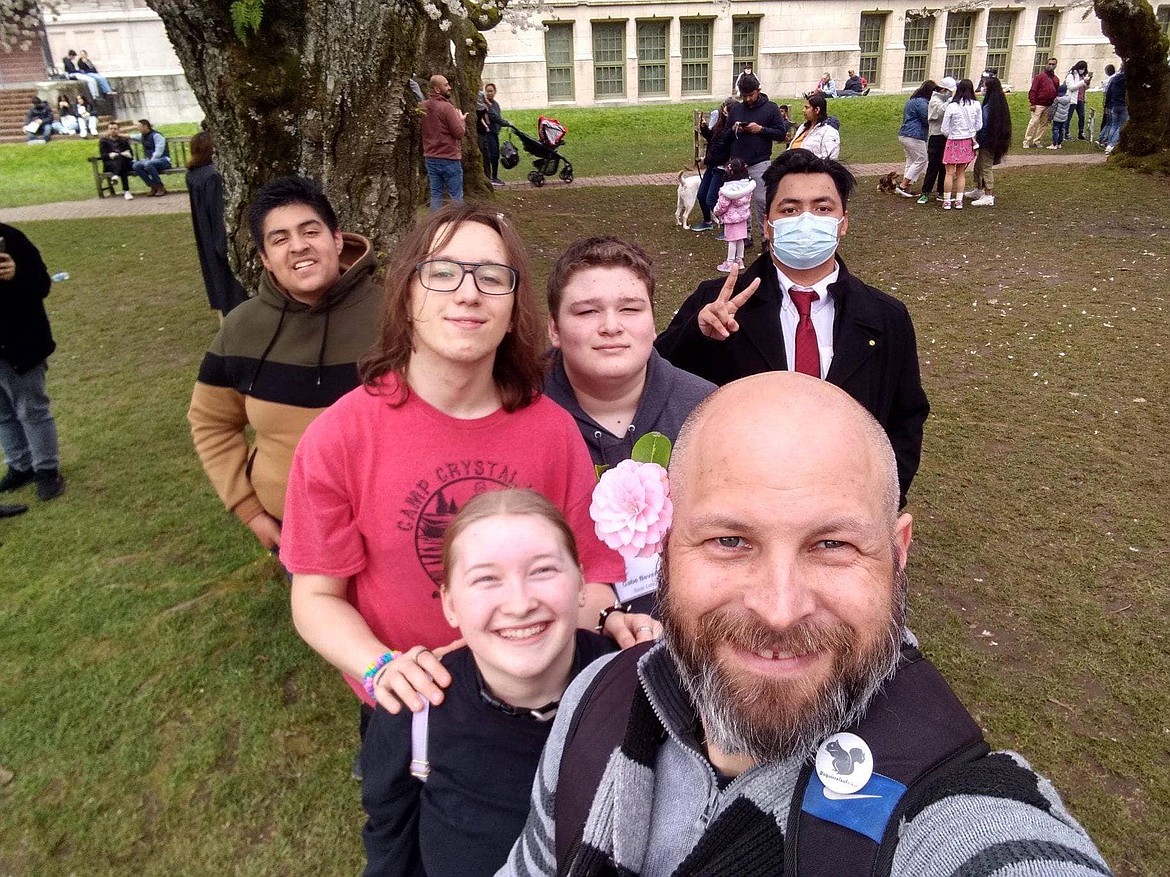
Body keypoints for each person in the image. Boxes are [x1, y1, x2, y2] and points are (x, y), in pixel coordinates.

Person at [498, 372, 1113, 877]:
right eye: (730, 540)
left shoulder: (964, 823)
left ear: (898, 554)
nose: (780, 608)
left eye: (832, 544)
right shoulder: (595, 701)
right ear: (664, 548)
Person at [279, 204, 651, 770]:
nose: (469, 293)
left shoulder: (553, 431)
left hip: (538, 705)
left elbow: (589, 578)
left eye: (491, 277)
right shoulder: (340, 437)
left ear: (511, 312)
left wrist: (606, 621)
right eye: (443, 272)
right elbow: (315, 597)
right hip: (411, 709)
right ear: (407, 295)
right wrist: (381, 666)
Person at [360, 489, 618, 877]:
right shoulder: (413, 713)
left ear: (582, 582)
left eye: (543, 570)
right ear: (449, 603)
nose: (519, 604)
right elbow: (390, 857)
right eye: (486, 579)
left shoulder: (640, 685)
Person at [655, 149, 929, 506]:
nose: (806, 219)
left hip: (846, 502)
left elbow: (905, 416)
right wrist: (697, 334)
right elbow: (657, 382)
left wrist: (885, 499)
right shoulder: (716, 302)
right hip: (744, 500)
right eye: (789, 209)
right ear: (768, 225)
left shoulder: (886, 317)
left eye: (822, 208)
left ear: (843, 222)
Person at [187, 176, 383, 553]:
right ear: (264, 259)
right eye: (279, 239)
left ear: (337, 239)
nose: (298, 246)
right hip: (293, 532)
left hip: (388, 527)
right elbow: (211, 421)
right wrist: (248, 510)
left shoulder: (398, 318)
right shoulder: (241, 329)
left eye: (310, 231)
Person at [542, 236, 714, 612]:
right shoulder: (520, 415)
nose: (610, 326)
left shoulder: (709, 415)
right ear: (554, 329)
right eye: (587, 312)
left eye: (630, 309)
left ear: (654, 322)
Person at [0, 223, 66, 505]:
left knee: (31, 409)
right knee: (2, 412)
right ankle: (20, 465)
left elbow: (42, 284)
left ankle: (46, 469)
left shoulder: (11, 238)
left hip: (20, 344)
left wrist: (17, 274)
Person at [186, 131, 249, 318]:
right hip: (216, 237)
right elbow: (217, 211)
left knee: (220, 286)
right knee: (231, 288)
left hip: (205, 235)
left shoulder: (193, 174)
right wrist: (224, 245)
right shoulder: (212, 176)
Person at [725, 73, 789, 245]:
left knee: (762, 200)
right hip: (738, 165)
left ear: (758, 91)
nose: (747, 99)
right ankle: (744, 236)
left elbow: (780, 133)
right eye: (744, 96)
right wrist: (734, 129)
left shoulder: (771, 108)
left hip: (760, 162)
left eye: (750, 95)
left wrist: (761, 129)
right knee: (739, 202)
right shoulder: (737, 109)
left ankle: (765, 235)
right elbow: (725, 136)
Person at [421, 74, 468, 211]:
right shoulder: (446, 108)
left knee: (436, 195)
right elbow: (459, 133)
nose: (450, 87)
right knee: (456, 196)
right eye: (446, 85)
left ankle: (434, 226)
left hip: (430, 157)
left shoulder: (423, 107)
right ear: (436, 89)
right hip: (449, 158)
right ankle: (457, 226)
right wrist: (461, 121)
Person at [690, 98, 734, 233]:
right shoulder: (719, 126)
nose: (723, 113)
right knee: (702, 195)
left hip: (721, 168)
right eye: (723, 110)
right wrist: (704, 128)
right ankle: (707, 221)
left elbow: (725, 147)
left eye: (726, 112)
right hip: (712, 165)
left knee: (711, 199)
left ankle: (728, 227)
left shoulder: (732, 130)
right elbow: (712, 139)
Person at [969, 73, 1012, 207]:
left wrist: (977, 137)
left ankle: (988, 194)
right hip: (992, 140)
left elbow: (983, 125)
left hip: (988, 141)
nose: (982, 89)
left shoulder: (989, 108)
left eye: (984, 86)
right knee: (979, 165)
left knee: (985, 167)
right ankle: (978, 188)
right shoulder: (999, 105)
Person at [940, 78, 981, 210]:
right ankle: (959, 200)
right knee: (961, 172)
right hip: (967, 140)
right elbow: (979, 125)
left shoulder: (952, 106)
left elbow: (944, 128)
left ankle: (946, 200)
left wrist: (952, 134)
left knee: (949, 172)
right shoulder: (976, 105)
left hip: (953, 140)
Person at [712, 158, 756, 273]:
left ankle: (730, 262)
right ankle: (739, 260)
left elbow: (722, 205)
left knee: (731, 240)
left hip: (731, 219)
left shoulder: (727, 190)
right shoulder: (747, 186)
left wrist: (716, 211)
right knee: (740, 239)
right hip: (743, 217)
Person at [895, 80, 934, 197]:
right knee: (922, 159)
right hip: (915, 135)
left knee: (911, 160)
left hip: (904, 133)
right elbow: (926, 119)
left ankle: (906, 189)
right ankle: (903, 185)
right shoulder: (922, 103)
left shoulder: (912, 100)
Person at [918, 77, 953, 204]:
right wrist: (950, 100)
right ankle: (925, 192)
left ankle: (941, 191)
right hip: (936, 136)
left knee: (944, 166)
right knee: (933, 166)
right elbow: (940, 112)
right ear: (943, 89)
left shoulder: (944, 99)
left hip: (946, 136)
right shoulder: (934, 100)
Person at [788, 94, 840, 160]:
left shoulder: (829, 132)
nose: (803, 110)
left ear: (817, 110)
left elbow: (831, 158)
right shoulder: (802, 127)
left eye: (807, 107)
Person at [1023, 56, 1060, 148]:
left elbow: (1057, 91)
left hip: (1049, 104)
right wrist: (1033, 103)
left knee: (1043, 124)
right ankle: (1027, 140)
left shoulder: (1056, 79)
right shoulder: (1039, 77)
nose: (1051, 66)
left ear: (1056, 65)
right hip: (1038, 104)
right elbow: (1033, 90)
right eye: (1049, 64)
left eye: (1053, 64)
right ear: (1046, 64)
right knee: (1033, 122)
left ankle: (1037, 140)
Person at [131, 119, 171, 197]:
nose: (138, 129)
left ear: (145, 126)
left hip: (164, 161)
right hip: (150, 162)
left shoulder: (157, 136)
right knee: (136, 165)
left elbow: (158, 152)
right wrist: (119, 134)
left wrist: (148, 161)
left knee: (148, 164)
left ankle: (160, 187)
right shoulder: (142, 136)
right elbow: (132, 136)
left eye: (139, 127)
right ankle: (153, 186)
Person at [478, 82, 505, 187]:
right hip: (488, 132)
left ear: (495, 92)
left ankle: (495, 176)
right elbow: (493, 117)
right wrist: (504, 122)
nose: (489, 93)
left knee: (496, 155)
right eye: (487, 91)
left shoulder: (496, 104)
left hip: (495, 132)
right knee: (490, 155)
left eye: (491, 91)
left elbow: (498, 116)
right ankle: (489, 177)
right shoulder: (483, 104)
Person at [99, 122, 135, 200]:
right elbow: (103, 156)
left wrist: (124, 154)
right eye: (111, 129)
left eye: (115, 129)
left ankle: (115, 176)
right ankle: (126, 191)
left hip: (124, 163)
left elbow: (131, 155)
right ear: (108, 130)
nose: (113, 131)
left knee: (122, 161)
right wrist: (110, 155)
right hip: (110, 165)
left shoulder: (123, 141)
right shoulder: (104, 141)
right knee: (122, 165)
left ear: (118, 130)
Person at [1102, 64, 1127, 154]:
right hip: (1123, 104)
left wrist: (1107, 105)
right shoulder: (1126, 79)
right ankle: (1112, 144)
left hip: (1114, 104)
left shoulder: (1115, 78)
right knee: (1120, 126)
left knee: (1113, 125)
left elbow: (1109, 92)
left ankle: (1108, 144)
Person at [1064, 60, 1091, 140]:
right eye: (1081, 68)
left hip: (1081, 99)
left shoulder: (1083, 76)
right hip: (1072, 99)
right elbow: (1072, 87)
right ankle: (1066, 132)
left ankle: (1081, 132)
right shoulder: (1071, 75)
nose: (1082, 70)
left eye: (1084, 69)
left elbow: (1085, 88)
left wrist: (1087, 83)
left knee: (1082, 116)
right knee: (1068, 117)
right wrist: (1083, 82)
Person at [1097, 64, 1118, 146]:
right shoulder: (1115, 79)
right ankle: (1109, 141)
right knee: (1113, 124)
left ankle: (1101, 138)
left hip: (1109, 104)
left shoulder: (1108, 80)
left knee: (1108, 123)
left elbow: (1105, 92)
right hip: (1113, 104)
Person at [1048, 84, 1073, 149]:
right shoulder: (1069, 99)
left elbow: (1053, 109)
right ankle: (1059, 143)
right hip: (1064, 118)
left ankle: (1054, 144)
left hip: (1057, 118)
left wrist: (1050, 117)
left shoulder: (1057, 99)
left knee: (1055, 130)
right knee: (1062, 130)